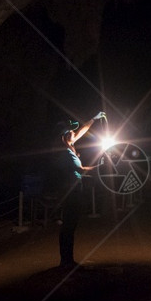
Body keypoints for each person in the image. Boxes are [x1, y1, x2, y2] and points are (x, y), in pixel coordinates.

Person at [54, 112, 106, 267]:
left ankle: (67, 259)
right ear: (63, 136)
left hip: (74, 190)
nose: (73, 132)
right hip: (70, 193)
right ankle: (66, 261)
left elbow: (82, 131)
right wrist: (99, 166)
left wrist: (93, 119)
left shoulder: (70, 145)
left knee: (71, 225)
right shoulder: (66, 153)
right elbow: (82, 169)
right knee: (68, 226)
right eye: (70, 131)